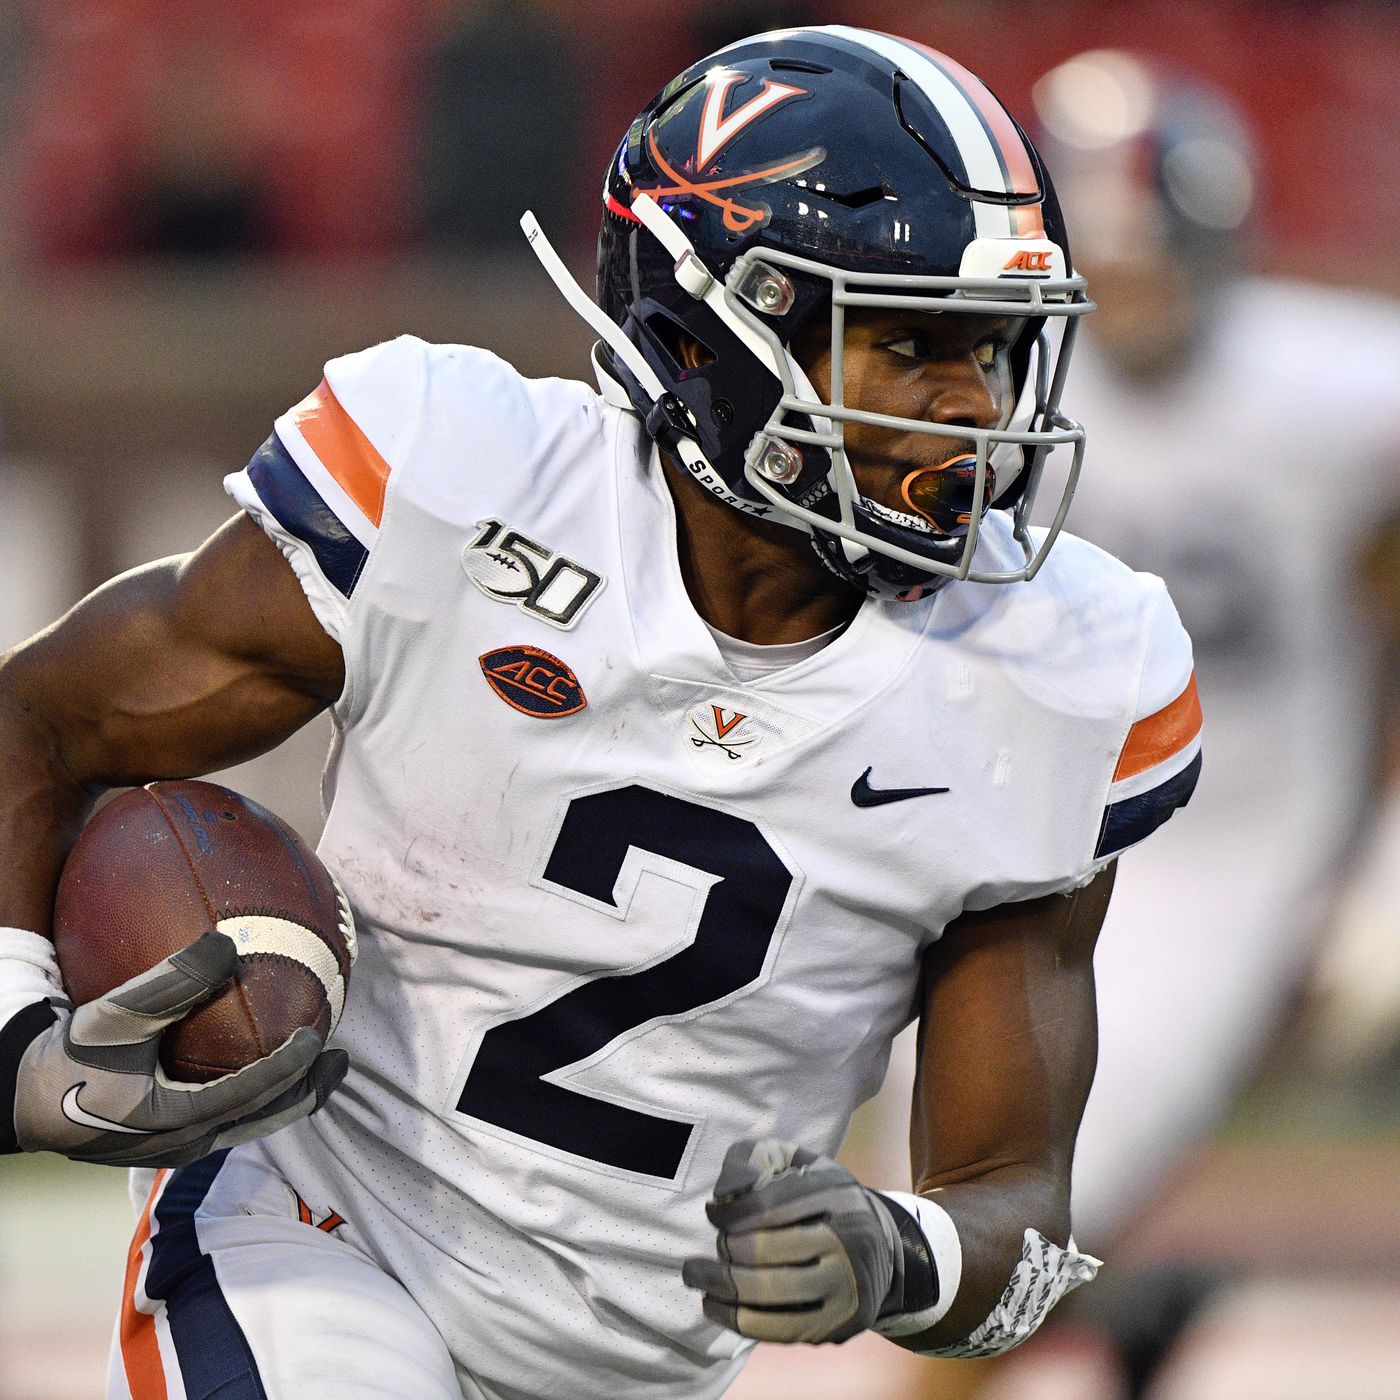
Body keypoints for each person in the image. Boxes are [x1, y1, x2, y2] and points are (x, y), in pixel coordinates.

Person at [0, 27, 1202, 1400]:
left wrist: (899, 1255)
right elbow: (40, 719)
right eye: (910, 345)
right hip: (321, 1242)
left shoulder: (1056, 673)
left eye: (994, 353)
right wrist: (9, 1028)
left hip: (642, 1371)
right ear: (706, 334)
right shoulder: (463, 481)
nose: (970, 411)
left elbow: (1018, 1207)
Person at [1027, 49, 1400, 1250]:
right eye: (1103, 269)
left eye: (1149, 263)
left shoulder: (1329, 391)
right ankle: (1143, 1312)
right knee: (973, 1174)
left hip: (1227, 845)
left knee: (1047, 1189)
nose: (1126, 299)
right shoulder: (988, 381)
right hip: (1023, 814)